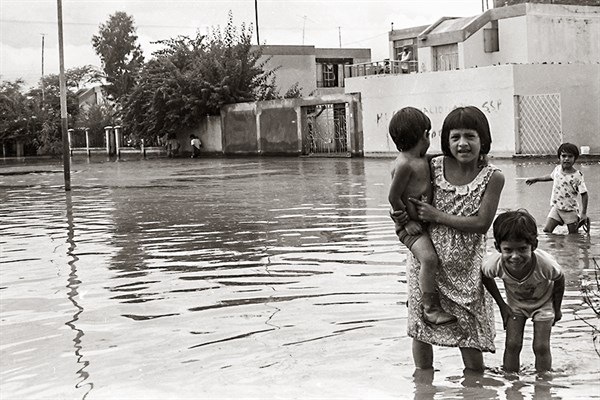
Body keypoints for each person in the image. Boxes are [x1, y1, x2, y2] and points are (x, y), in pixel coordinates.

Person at [392, 106, 505, 372]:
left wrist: (436, 215)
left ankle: (475, 387)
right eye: (455, 137)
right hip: (428, 263)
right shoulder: (432, 164)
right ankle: (423, 386)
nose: (462, 144)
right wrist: (401, 219)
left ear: (483, 140)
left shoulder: (493, 176)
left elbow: (481, 224)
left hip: (467, 268)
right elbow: (400, 174)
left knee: (471, 331)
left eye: (470, 137)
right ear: (445, 140)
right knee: (421, 327)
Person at [388, 107, 457, 326]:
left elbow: (432, 158)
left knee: (430, 261)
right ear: (424, 136)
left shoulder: (420, 159)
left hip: (421, 223)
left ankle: (417, 297)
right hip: (410, 228)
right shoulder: (404, 164)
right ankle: (430, 308)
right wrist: (406, 223)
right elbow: (393, 197)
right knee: (429, 259)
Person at [482, 209, 565, 373]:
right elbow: (485, 277)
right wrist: (502, 305)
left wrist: (557, 308)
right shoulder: (495, 264)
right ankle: (510, 379)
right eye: (508, 250)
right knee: (512, 344)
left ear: (534, 245)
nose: (515, 256)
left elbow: (559, 279)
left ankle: (543, 382)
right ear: (498, 247)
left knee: (540, 346)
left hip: (544, 305)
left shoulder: (545, 264)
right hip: (516, 307)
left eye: (522, 249)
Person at [525, 143, 589, 234]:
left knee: (573, 236)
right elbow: (550, 177)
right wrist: (536, 179)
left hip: (569, 210)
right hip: (556, 208)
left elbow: (584, 194)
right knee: (547, 231)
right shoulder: (557, 169)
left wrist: (583, 213)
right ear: (559, 158)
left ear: (575, 159)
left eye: (570, 156)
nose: (566, 159)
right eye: (564, 156)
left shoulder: (577, 176)